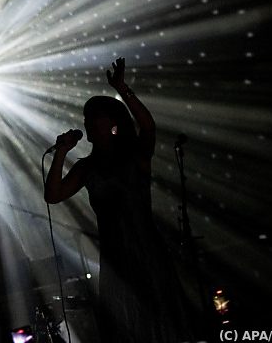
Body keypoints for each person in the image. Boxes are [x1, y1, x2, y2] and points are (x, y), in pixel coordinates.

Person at [45, 58, 194, 342]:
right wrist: (61, 152)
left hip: (146, 251)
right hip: (115, 260)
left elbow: (148, 128)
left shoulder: (135, 156)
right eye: (86, 117)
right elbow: (53, 195)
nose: (87, 122)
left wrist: (123, 88)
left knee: (159, 320)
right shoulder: (86, 168)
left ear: (112, 124)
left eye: (93, 117)